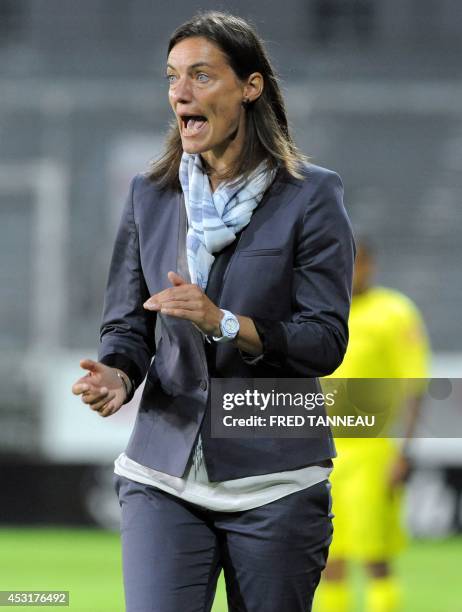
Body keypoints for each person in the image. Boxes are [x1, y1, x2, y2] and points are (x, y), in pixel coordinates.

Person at [72, 11, 355, 612]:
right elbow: (129, 323)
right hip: (162, 474)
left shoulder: (311, 194)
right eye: (173, 77)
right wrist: (118, 375)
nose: (180, 92)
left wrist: (224, 322)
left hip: (277, 481)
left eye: (201, 76)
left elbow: (325, 341)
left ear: (250, 86)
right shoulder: (150, 194)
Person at [315, 238, 430, 612]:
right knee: (329, 558)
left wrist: (404, 452)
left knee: (375, 556)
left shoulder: (394, 313)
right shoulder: (323, 310)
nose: (351, 273)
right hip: (322, 452)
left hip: (372, 452)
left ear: (371, 266)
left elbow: (414, 386)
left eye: (358, 264)